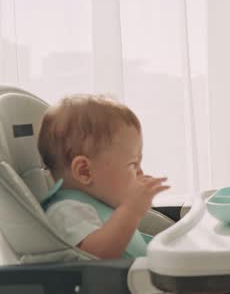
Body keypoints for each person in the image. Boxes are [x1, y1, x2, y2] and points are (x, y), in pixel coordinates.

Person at [37, 95, 169, 259]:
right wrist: (131, 210)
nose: (140, 173)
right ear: (85, 171)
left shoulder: (101, 204)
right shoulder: (66, 211)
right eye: (133, 164)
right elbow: (100, 256)